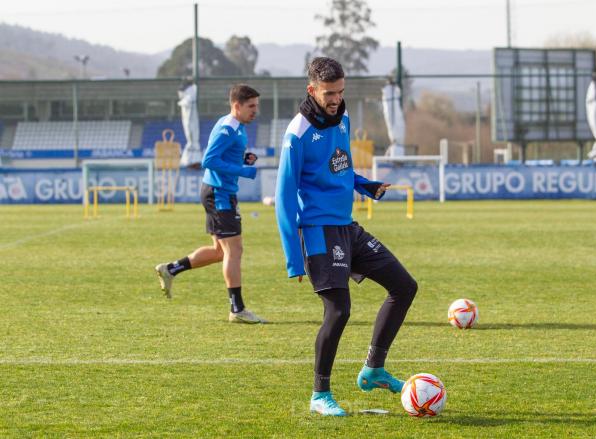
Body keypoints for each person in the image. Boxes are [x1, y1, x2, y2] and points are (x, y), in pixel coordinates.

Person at [275, 57, 418, 416]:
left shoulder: (343, 120)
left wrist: (366, 185)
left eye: (340, 91)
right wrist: (294, 256)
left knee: (404, 286)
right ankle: (319, 395)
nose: (336, 99)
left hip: (347, 227)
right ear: (312, 90)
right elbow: (283, 197)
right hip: (319, 232)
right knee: (338, 311)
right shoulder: (297, 133)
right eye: (329, 93)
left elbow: (341, 167)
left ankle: (374, 369)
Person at [155, 84, 267, 324]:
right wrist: (243, 170)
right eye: (251, 106)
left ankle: (171, 269)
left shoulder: (237, 127)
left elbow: (225, 156)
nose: (255, 111)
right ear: (236, 105)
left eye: (257, 105)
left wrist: (242, 158)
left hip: (219, 192)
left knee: (220, 252)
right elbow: (209, 160)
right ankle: (237, 309)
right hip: (220, 194)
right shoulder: (227, 128)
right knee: (233, 251)